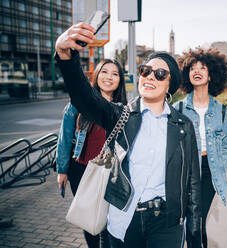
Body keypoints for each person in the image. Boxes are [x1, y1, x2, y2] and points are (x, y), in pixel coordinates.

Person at [55, 23, 202, 248]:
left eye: (160, 73)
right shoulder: (119, 115)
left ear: (169, 85)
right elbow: (83, 96)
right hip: (123, 218)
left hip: (166, 223)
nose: (150, 76)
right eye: (146, 70)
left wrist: (194, 237)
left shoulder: (183, 126)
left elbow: (192, 183)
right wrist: (65, 55)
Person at [56, 58, 127, 248]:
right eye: (104, 72)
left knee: (110, 221)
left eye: (115, 74)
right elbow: (64, 137)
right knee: (90, 220)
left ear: (120, 80)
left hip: (112, 173)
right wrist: (62, 170)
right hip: (81, 170)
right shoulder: (78, 104)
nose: (109, 77)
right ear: (96, 75)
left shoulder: (124, 110)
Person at [174, 48, 227, 248]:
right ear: (186, 74)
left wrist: (222, 165)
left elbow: (225, 145)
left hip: (208, 171)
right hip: (184, 170)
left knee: (196, 222)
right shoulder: (178, 110)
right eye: (192, 68)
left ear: (211, 74)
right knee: (191, 222)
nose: (197, 71)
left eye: (203, 68)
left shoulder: (222, 112)